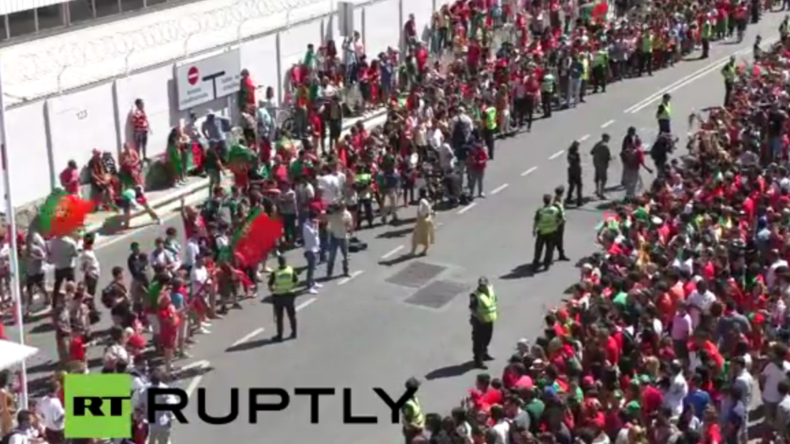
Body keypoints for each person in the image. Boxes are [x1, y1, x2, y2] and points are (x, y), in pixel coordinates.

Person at [267, 255, 299, 341]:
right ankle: (294, 333)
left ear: (278, 262)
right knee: (292, 316)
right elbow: (296, 281)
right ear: (285, 261)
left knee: (279, 318)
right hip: (289, 295)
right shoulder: (290, 270)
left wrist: (274, 290)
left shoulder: (275, 272)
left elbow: (270, 285)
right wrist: (291, 288)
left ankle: (280, 335)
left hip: (278, 297)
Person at [469, 277, 497, 369]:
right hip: (479, 322)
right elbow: (472, 309)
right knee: (478, 342)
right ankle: (478, 361)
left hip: (489, 319)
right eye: (481, 285)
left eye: (484, 285)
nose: (482, 287)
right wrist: (479, 318)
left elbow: (494, 300)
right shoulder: (475, 295)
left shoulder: (490, 290)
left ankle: (484, 354)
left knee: (487, 338)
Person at [531, 194, 560, 271]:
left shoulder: (540, 210)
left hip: (542, 232)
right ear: (550, 201)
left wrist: (534, 230)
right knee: (549, 248)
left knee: (538, 248)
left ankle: (536, 263)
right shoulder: (555, 210)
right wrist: (556, 226)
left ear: (543, 201)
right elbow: (560, 219)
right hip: (552, 232)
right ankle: (547, 264)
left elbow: (536, 221)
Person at [326, 203, 353, 279]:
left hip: (343, 236)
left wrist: (349, 232)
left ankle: (346, 271)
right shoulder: (332, 214)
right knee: (332, 256)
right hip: (333, 236)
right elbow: (326, 215)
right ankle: (329, 273)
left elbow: (349, 225)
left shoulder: (346, 215)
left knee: (345, 255)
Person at [411, 188, 435, 256]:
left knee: (416, 236)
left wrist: (421, 215)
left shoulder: (422, 201)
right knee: (427, 235)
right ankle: (425, 250)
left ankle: (413, 251)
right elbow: (429, 209)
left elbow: (420, 211)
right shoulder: (426, 200)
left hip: (422, 220)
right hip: (428, 219)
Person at [401, 377, 425, 444]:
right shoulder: (407, 404)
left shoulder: (414, 397)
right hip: (412, 431)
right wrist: (418, 428)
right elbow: (408, 421)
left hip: (418, 429)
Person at [590, 133, 612, 199]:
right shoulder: (605, 146)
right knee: (604, 179)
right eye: (608, 138)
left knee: (597, 178)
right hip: (603, 165)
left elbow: (591, 152)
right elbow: (608, 157)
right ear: (605, 138)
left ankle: (597, 191)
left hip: (596, 163)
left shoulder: (597, 144)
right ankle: (601, 193)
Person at [553, 187, 570, 262]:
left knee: (559, 239)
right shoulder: (556, 202)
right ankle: (550, 256)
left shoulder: (559, 200)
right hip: (558, 223)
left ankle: (561, 254)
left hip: (560, 223)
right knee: (555, 239)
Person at [565, 141, 582, 207]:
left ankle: (568, 198)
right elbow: (578, 161)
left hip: (571, 170)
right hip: (576, 170)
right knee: (579, 185)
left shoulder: (569, 153)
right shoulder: (576, 154)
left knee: (571, 186)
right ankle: (579, 201)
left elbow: (569, 161)